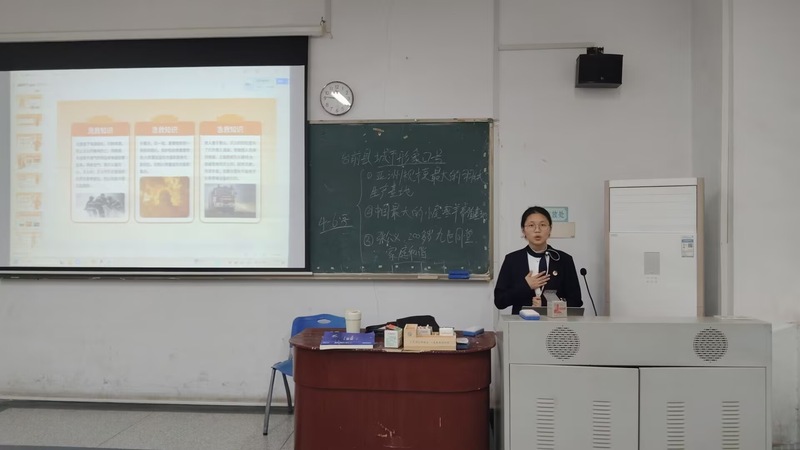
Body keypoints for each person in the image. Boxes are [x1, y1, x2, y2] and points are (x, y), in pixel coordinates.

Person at [494, 206, 582, 314]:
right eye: (531, 225)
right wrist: (526, 286)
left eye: (543, 225)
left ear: (550, 229)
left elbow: (576, 301)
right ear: (523, 230)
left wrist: (546, 305)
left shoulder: (563, 260)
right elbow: (499, 301)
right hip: (521, 322)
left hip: (555, 323)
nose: (537, 230)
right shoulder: (512, 260)